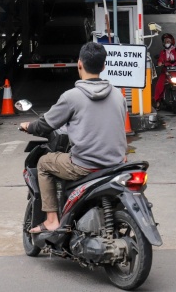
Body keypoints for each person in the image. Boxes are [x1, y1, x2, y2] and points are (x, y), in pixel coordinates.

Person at [20, 42, 127, 233]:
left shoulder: (72, 97)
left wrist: (28, 126)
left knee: (44, 163)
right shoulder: (119, 95)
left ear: (79, 64)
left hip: (84, 165)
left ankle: (52, 220)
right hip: (116, 163)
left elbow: (45, 124)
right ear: (103, 66)